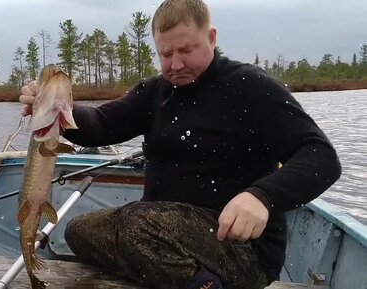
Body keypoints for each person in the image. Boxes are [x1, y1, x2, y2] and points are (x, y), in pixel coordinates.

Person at [19, 0, 342, 288]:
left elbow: (321, 156)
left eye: (186, 51)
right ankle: (179, 275)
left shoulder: (251, 87)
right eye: (166, 54)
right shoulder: (156, 92)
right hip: (161, 232)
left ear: (212, 38)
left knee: (138, 226)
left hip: (241, 247)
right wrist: (58, 108)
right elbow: (102, 127)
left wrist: (263, 196)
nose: (175, 64)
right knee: (79, 229)